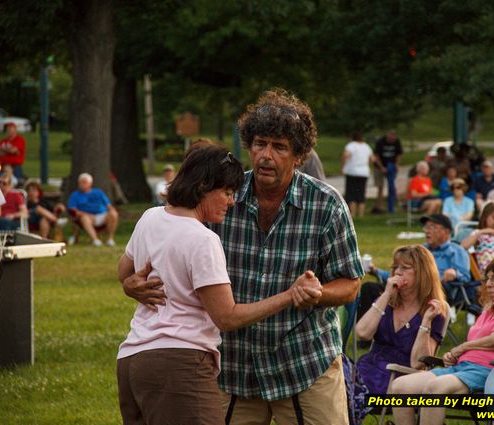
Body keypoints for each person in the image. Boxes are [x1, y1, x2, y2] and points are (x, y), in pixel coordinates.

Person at [122, 89, 364, 425]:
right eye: (260, 143)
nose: (266, 155)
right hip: (234, 367)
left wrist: (317, 294)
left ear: (299, 156)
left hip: (303, 362)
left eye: (279, 147)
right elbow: (167, 247)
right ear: (248, 146)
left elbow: (351, 284)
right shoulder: (220, 199)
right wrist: (131, 284)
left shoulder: (327, 205)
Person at [116, 144, 322, 425]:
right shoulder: (203, 239)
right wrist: (290, 294)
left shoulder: (150, 218)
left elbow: (124, 271)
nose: (232, 201)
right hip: (179, 364)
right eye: (226, 192)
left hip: (132, 360)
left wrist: (132, 285)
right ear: (202, 187)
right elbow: (226, 317)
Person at [390, 256, 494, 425]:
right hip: (462, 369)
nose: (488, 284)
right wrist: (454, 356)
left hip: (492, 373)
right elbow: (477, 346)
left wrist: (462, 348)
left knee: (435, 388)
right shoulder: (489, 311)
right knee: (400, 387)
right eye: (487, 279)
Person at [355, 245, 447, 397]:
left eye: (405, 268)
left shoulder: (432, 313)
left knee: (342, 392)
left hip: (400, 378)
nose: (397, 272)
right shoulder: (387, 302)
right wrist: (386, 295)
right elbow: (362, 333)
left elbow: (418, 363)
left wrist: (426, 322)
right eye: (395, 267)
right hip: (367, 370)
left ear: (422, 274)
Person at [67, 173, 119, 246]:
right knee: (85, 218)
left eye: (84, 182)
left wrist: (112, 210)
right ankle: (95, 240)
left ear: (90, 183)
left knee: (114, 214)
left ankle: (110, 239)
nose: (82, 184)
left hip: (103, 215)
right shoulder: (75, 195)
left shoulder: (98, 192)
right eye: (80, 182)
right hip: (87, 217)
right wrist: (85, 214)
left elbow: (108, 205)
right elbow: (73, 210)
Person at [421, 214, 471, 287]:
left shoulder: (456, 251)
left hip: (442, 292)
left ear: (446, 232)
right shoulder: (421, 250)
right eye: (426, 227)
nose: (427, 231)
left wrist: (455, 273)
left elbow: (465, 277)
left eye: (432, 227)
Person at [461, 201, 494, 275]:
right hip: (488, 275)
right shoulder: (479, 234)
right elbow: (463, 246)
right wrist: (482, 231)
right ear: (485, 217)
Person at [342, 130, 375, 217]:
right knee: (361, 194)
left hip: (352, 172)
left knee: (351, 193)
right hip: (364, 172)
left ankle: (352, 215)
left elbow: (346, 155)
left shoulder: (351, 146)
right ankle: (361, 215)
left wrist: (343, 166)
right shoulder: (366, 146)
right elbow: (373, 159)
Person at [372, 130, 403, 214]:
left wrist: (397, 164)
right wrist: (381, 167)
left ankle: (392, 206)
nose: (392, 140)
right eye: (390, 139)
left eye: (393, 139)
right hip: (379, 166)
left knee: (392, 186)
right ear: (387, 136)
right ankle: (379, 206)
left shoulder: (397, 142)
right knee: (380, 186)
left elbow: (399, 154)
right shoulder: (380, 142)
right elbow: (376, 155)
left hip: (391, 166)